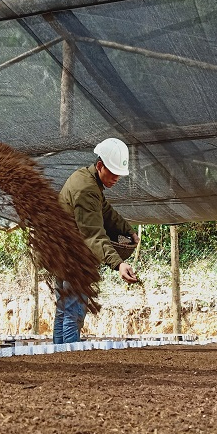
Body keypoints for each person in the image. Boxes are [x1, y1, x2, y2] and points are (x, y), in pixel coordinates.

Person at [55, 138, 140, 343]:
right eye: (113, 172)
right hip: (73, 257)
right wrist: (118, 263)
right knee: (73, 311)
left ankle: (57, 358)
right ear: (100, 165)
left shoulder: (87, 179)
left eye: (119, 174)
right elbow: (93, 234)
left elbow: (106, 212)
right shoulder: (86, 190)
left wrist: (128, 231)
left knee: (64, 309)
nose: (116, 178)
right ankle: (69, 358)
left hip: (61, 253)